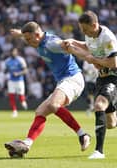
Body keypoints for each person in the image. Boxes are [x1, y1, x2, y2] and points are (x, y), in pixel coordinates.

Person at [4, 21, 90, 157]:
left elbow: (63, 45)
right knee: (40, 111)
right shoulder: (38, 38)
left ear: (37, 35)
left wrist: (73, 48)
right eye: (25, 39)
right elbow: (30, 34)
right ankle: (26, 144)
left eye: (28, 39)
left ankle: (83, 134)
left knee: (54, 105)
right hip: (63, 81)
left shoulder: (52, 43)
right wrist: (20, 34)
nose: (27, 42)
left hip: (73, 79)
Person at [64, 10, 117, 159]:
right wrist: (73, 42)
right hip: (102, 78)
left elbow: (114, 63)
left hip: (114, 77)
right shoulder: (91, 35)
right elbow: (88, 47)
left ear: (94, 25)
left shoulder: (107, 38)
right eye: (82, 30)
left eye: (86, 30)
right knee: (111, 124)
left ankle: (99, 151)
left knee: (99, 105)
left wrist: (93, 60)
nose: (84, 33)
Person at [4, 48, 28, 117]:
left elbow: (25, 70)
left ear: (17, 52)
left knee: (21, 96)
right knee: (11, 96)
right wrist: (6, 72)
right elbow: (5, 70)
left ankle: (23, 101)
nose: (13, 53)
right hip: (11, 81)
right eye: (11, 52)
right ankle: (14, 111)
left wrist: (18, 73)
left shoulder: (20, 60)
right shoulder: (7, 61)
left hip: (19, 80)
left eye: (14, 52)